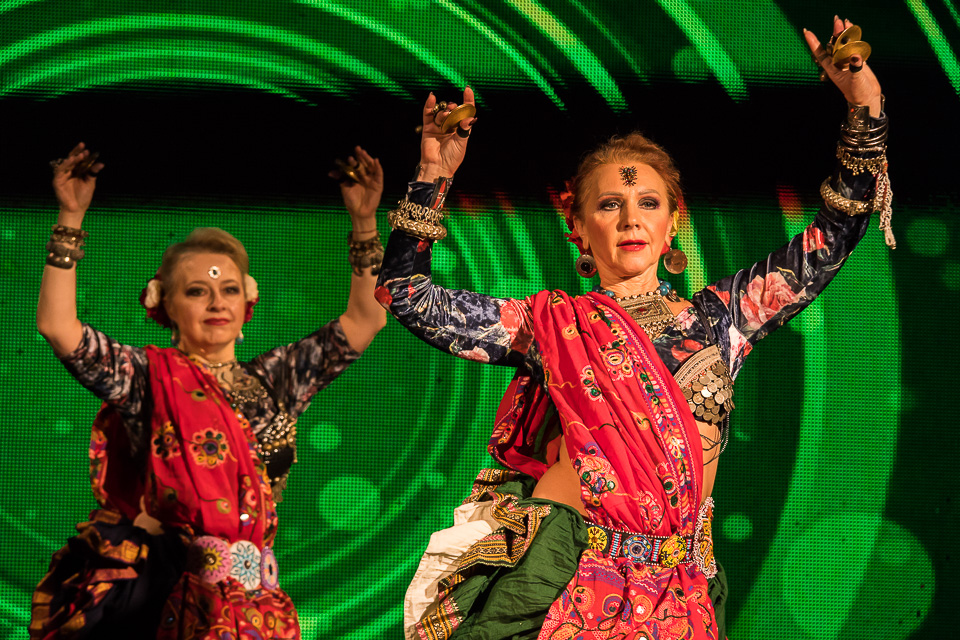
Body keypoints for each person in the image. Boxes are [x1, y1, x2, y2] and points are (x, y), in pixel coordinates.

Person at [377, 17, 890, 640]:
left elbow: (829, 241)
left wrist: (865, 107)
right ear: (578, 227)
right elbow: (408, 295)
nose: (630, 218)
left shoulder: (720, 320)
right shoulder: (552, 326)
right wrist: (432, 175)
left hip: (679, 588)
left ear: (672, 224)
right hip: (565, 577)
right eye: (608, 204)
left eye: (648, 202)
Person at [30, 144, 387, 639]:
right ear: (165, 305)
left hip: (257, 611)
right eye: (197, 291)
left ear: (247, 303)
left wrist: (365, 225)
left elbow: (366, 319)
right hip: (170, 602)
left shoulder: (276, 380)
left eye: (229, 289)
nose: (217, 302)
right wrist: (70, 218)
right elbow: (58, 326)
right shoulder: (146, 378)